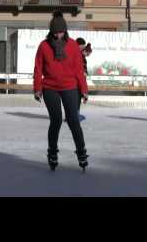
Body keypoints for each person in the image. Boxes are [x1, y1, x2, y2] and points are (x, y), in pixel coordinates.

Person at [33, 11, 89, 172]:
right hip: (50, 88)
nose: (58, 35)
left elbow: (79, 70)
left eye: (61, 32)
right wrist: (37, 88)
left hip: (70, 87)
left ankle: (81, 152)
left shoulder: (72, 46)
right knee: (56, 121)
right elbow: (38, 69)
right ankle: (52, 153)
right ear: (51, 31)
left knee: (73, 121)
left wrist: (84, 90)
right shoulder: (44, 46)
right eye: (56, 32)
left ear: (65, 30)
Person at [75, 38, 91, 122]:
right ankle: (74, 115)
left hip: (79, 80)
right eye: (82, 47)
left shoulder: (80, 55)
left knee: (77, 98)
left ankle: (74, 114)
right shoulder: (76, 54)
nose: (82, 49)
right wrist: (83, 72)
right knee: (75, 98)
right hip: (75, 81)